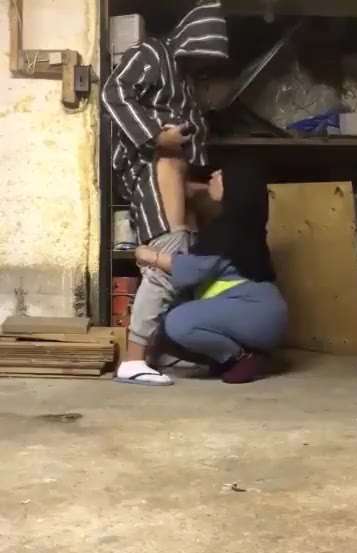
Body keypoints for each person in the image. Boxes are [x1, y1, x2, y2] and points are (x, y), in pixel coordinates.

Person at [102, 1, 229, 387]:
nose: (204, 62)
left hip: (177, 169)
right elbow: (113, 92)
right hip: (149, 163)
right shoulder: (152, 53)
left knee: (185, 255)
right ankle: (133, 360)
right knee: (167, 257)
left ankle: (161, 349)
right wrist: (157, 137)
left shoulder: (188, 79)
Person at [131, 159, 288, 385]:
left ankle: (241, 356)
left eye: (220, 175)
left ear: (234, 187)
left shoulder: (229, 232)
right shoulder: (240, 227)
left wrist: (150, 256)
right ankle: (233, 358)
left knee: (178, 323)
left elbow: (191, 269)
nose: (212, 176)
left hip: (258, 315)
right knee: (168, 327)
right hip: (257, 314)